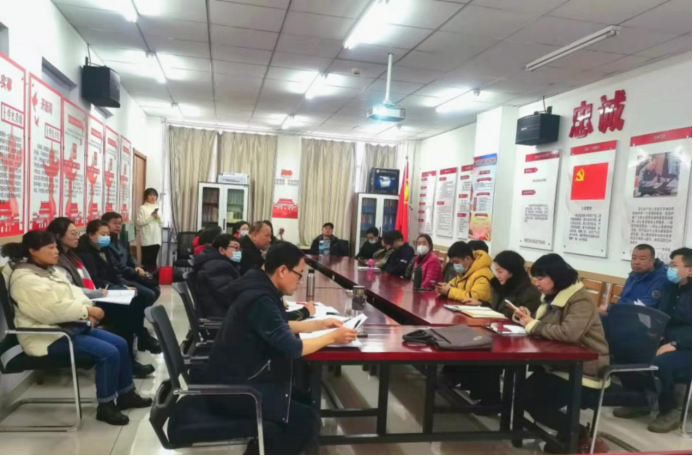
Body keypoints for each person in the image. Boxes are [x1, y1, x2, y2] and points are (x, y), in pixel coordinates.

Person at [204, 242, 358, 455]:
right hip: (235, 390)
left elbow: (278, 325)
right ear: (283, 270)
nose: (300, 280)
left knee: (304, 399)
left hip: (240, 378)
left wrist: (320, 324)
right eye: (299, 274)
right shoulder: (259, 297)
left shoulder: (259, 286)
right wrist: (333, 336)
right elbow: (293, 348)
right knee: (306, 422)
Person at [2, 231, 152, 426]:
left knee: (120, 343)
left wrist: (88, 311)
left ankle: (126, 395)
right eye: (50, 248)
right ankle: (106, 406)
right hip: (48, 337)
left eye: (55, 247)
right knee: (109, 352)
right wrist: (86, 311)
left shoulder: (50, 271)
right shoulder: (25, 279)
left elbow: (76, 293)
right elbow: (50, 311)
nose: (56, 251)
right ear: (33, 251)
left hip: (69, 327)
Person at [515, 254, 611, 454]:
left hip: (584, 368)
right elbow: (548, 326)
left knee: (531, 400)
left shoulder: (580, 300)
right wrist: (527, 318)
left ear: (556, 277)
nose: (536, 283)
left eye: (541, 278)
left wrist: (534, 325)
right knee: (523, 394)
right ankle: (569, 433)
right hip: (560, 363)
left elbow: (568, 333)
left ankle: (578, 433)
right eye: (535, 278)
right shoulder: (553, 297)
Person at [446, 251, 542, 409]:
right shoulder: (498, 285)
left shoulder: (530, 293)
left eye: (500, 271)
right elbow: (497, 309)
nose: (497, 275)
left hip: (516, 339)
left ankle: (491, 400)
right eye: (496, 271)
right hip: (496, 331)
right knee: (465, 340)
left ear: (512, 271)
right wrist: (482, 304)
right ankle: (464, 385)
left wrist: (518, 315)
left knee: (486, 352)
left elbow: (529, 319)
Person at [615, 248, 692, 434]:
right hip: (667, 340)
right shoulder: (671, 288)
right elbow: (660, 316)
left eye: (674, 265)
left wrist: (675, 345)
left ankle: (670, 410)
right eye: (670, 264)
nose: (669, 269)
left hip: (686, 346)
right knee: (626, 351)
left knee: (660, 363)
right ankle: (639, 401)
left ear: (690, 270)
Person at [77, 220, 156, 379]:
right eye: (102, 234)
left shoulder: (105, 249)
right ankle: (133, 356)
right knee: (127, 310)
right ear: (91, 235)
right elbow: (95, 280)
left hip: (110, 288)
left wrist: (123, 287)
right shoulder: (84, 253)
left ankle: (140, 341)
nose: (106, 237)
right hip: (97, 294)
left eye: (107, 234)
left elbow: (114, 272)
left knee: (138, 298)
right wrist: (117, 288)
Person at [102, 212, 161, 355]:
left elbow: (131, 258)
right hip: (121, 278)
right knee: (147, 294)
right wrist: (135, 272)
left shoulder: (122, 241)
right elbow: (117, 266)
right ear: (105, 224)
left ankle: (138, 328)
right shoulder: (105, 244)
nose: (118, 226)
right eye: (114, 223)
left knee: (156, 289)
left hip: (131, 274)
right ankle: (140, 332)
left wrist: (138, 267)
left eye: (120, 223)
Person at [47, 217, 106, 300]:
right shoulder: (57, 260)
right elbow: (68, 288)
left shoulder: (72, 255)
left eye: (77, 233)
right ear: (58, 236)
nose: (77, 237)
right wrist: (95, 293)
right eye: (73, 234)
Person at [192, 234, 242, 319]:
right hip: (223, 314)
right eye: (235, 248)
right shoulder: (219, 266)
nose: (239, 252)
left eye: (240, 249)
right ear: (222, 250)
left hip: (220, 310)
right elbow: (228, 296)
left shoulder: (213, 261)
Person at [616, 244, 669, 309]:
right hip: (624, 311)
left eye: (642, 259)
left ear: (653, 261)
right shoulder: (633, 275)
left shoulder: (661, 279)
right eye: (634, 258)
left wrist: (615, 307)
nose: (636, 262)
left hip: (643, 314)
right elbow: (622, 298)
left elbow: (643, 307)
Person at [136, 188, 163, 273]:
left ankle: (152, 278)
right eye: (150, 195)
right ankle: (144, 277)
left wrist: (157, 218)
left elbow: (162, 223)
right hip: (147, 239)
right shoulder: (142, 208)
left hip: (157, 239)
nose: (153, 197)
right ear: (146, 196)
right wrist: (151, 217)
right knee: (146, 262)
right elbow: (139, 223)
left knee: (153, 261)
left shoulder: (157, 208)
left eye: (154, 195)